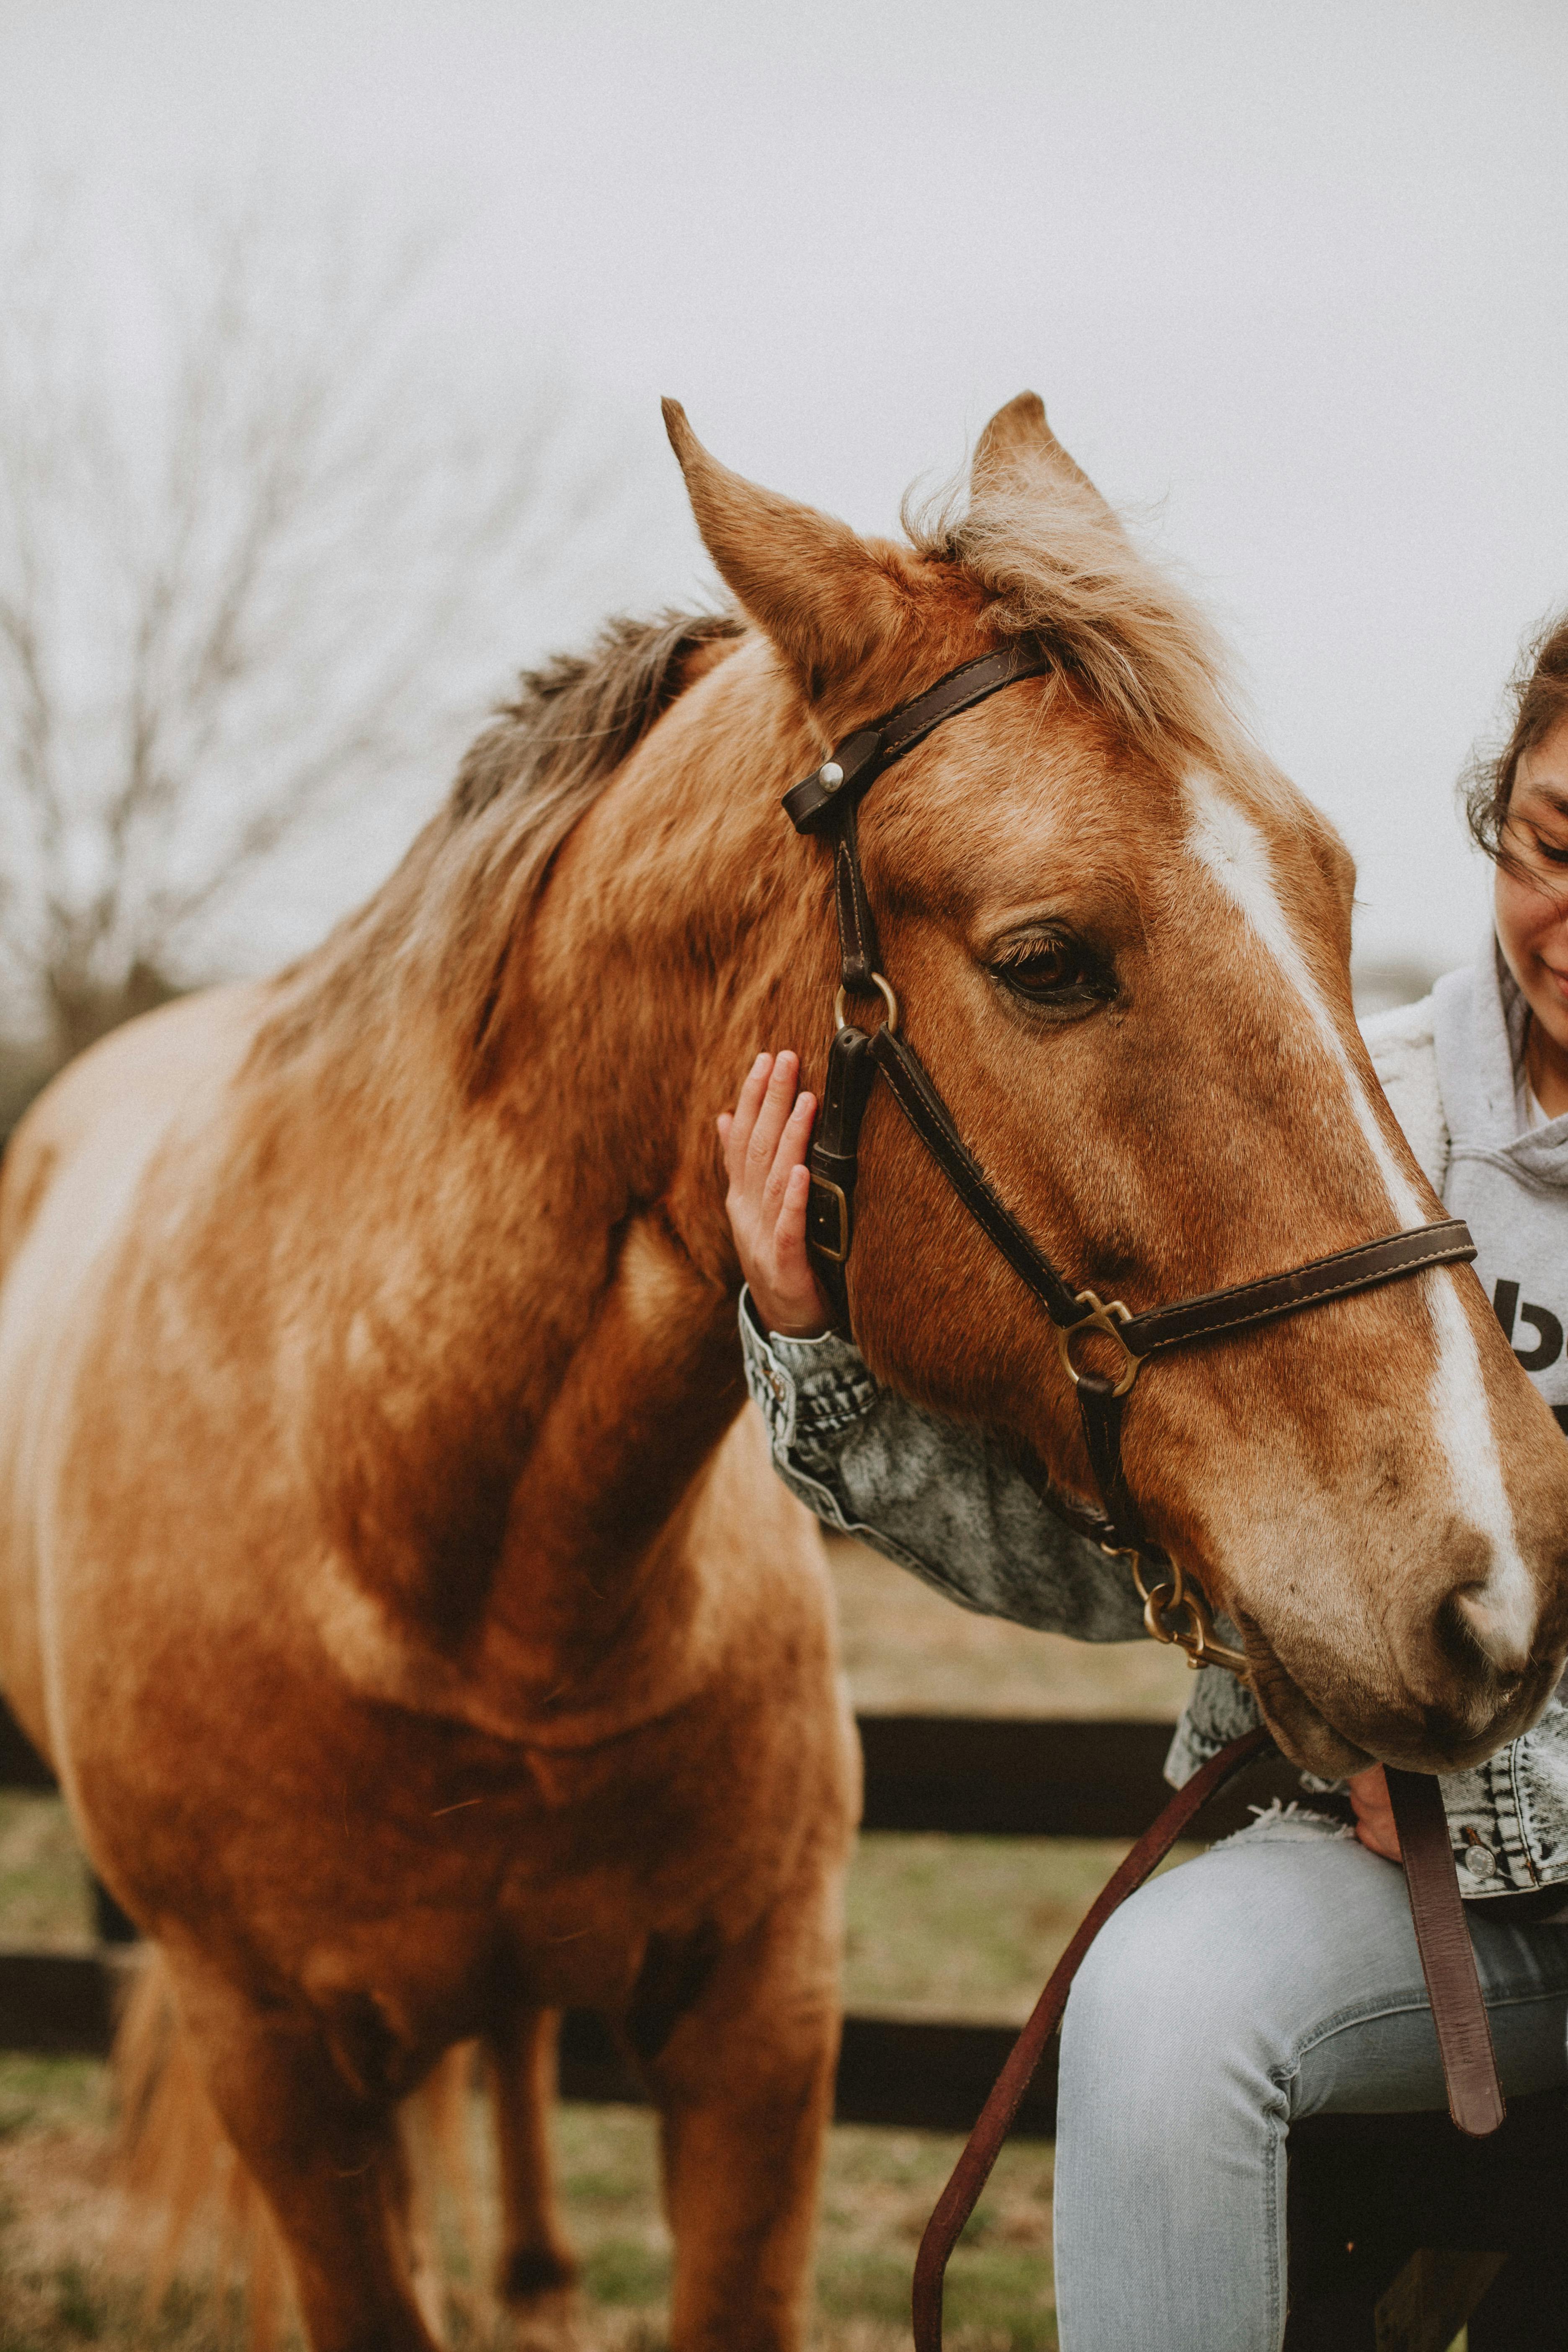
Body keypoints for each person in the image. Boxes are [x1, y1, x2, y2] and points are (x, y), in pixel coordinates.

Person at [720, 617, 1568, 2352]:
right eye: (1560, 847)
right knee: (1170, 2004)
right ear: (1500, 822)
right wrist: (811, 1343)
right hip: (1412, 1886)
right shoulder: (1355, 1111)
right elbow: (1119, 1555)